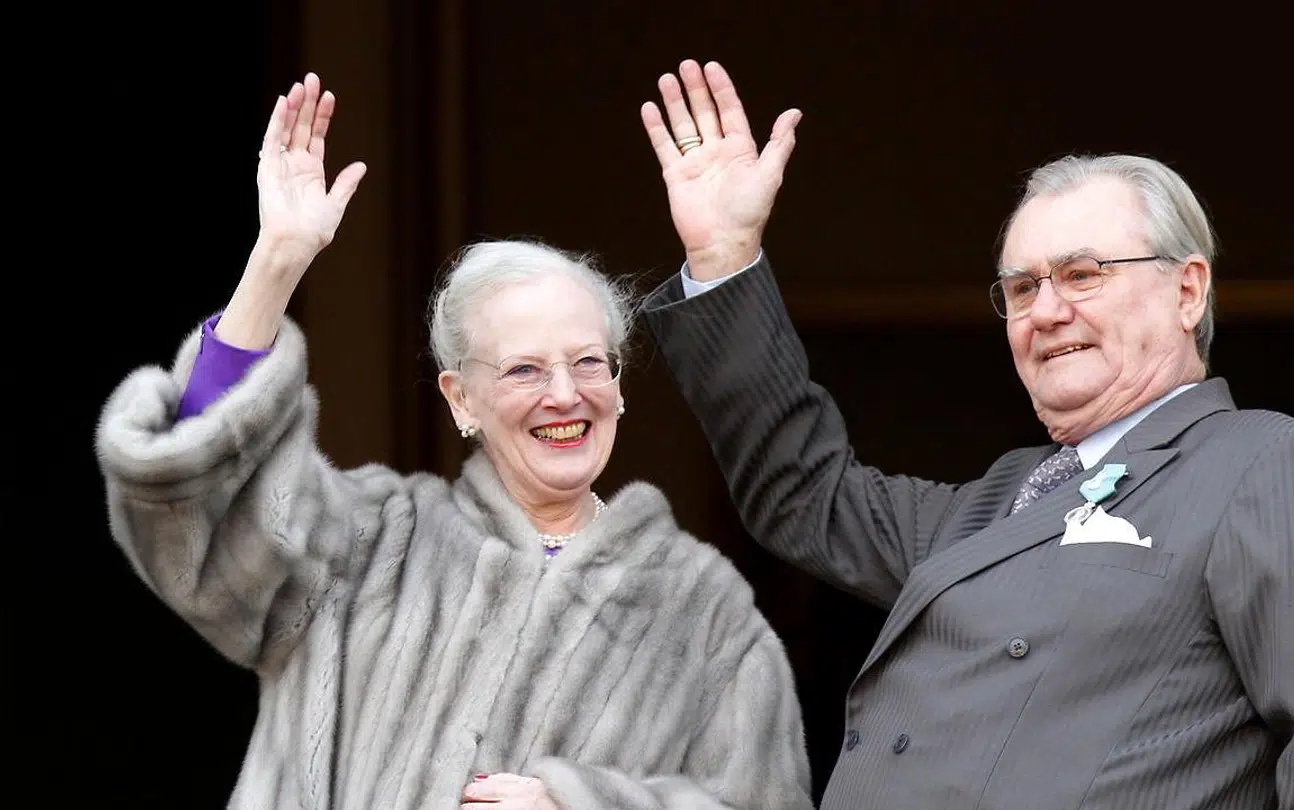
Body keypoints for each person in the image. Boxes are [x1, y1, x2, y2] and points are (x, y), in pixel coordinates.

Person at [634, 59, 1294, 809]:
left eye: (1084, 275)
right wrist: (725, 256)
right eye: (1021, 287)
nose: (1047, 311)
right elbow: (808, 497)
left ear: (1187, 291)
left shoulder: (1266, 465)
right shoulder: (995, 503)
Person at [94, 71, 814, 810]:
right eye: (524, 369)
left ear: (620, 385)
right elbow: (199, 521)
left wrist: (581, 804)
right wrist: (276, 260)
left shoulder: (705, 614)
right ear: (460, 398)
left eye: (588, 363)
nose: (564, 395)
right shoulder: (360, 545)